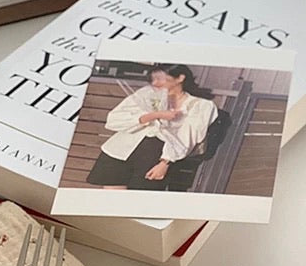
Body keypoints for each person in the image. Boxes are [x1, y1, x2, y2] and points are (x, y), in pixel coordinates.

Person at [86, 64, 218, 190]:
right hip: (120, 150)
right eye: (153, 79)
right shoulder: (146, 94)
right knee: (112, 198)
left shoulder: (201, 106)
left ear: (180, 78)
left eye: (160, 79)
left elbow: (188, 138)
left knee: (137, 202)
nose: (155, 83)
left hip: (156, 156)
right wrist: (155, 115)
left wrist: (165, 163)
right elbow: (114, 119)